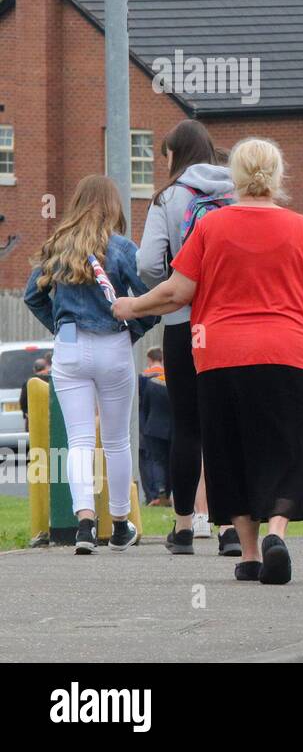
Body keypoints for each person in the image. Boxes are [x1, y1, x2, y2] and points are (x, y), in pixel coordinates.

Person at [115, 138, 303, 584]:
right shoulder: (302, 229)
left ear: (236, 177)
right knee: (286, 446)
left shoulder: (211, 227)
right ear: (278, 176)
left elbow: (176, 292)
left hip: (221, 355)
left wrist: (133, 306)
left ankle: (247, 554)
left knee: (231, 448)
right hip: (288, 353)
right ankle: (277, 532)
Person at [25, 175, 158, 554]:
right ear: (113, 205)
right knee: (116, 440)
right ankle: (118, 524)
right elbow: (149, 299)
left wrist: (60, 326)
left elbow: (33, 296)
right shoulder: (121, 248)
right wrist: (133, 330)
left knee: (79, 441)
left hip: (69, 346)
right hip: (113, 344)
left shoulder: (58, 246)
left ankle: (84, 524)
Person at [135, 119, 239, 556]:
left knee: (187, 426)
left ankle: (182, 529)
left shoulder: (169, 198)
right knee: (228, 425)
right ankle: (234, 529)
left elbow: (145, 265)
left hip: (182, 323)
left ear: (175, 154)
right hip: (232, 323)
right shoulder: (236, 193)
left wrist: (175, 282)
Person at [139, 348, 172, 507]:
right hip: (171, 428)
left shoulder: (148, 380)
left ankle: (159, 491)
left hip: (152, 427)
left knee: (156, 461)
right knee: (170, 461)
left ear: (149, 359)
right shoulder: (172, 379)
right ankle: (170, 491)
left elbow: (144, 406)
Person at [18, 357, 49, 427]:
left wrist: (27, 413)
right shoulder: (52, 380)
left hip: (34, 420)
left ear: (34, 369)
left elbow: (23, 402)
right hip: (50, 418)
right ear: (46, 367)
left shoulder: (29, 382)